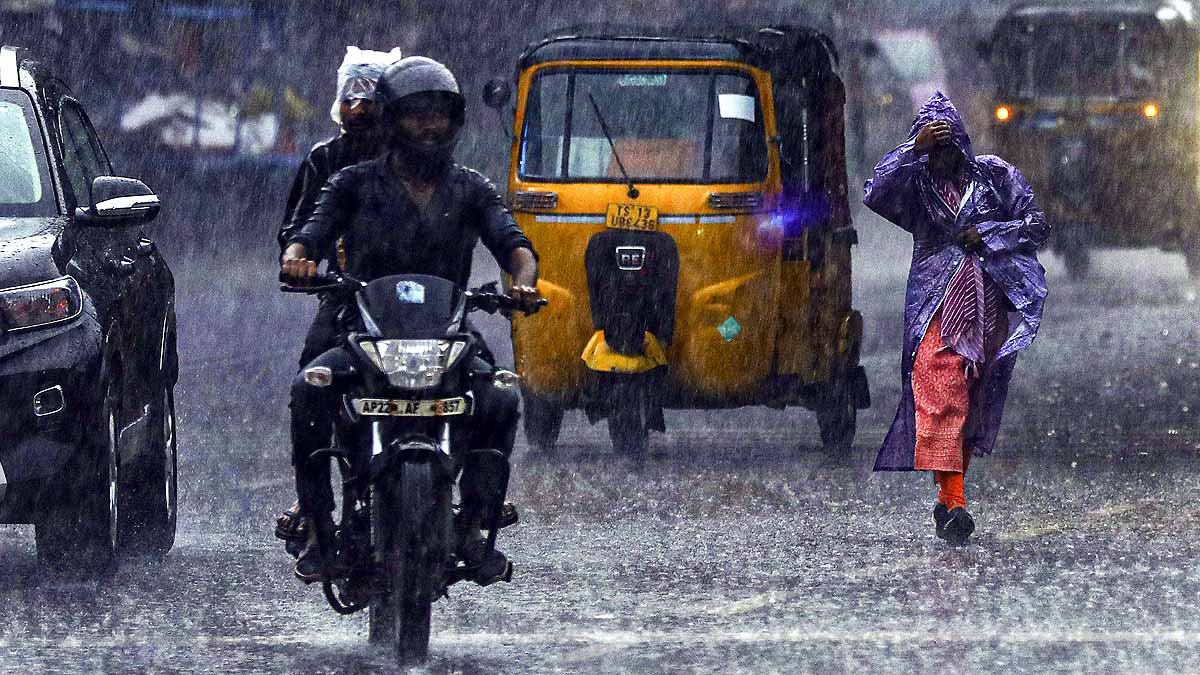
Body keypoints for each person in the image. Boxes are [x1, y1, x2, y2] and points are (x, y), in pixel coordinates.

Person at [279, 56, 541, 583]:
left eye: (439, 115)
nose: (428, 125)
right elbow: (311, 230)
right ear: (392, 120)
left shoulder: (472, 188)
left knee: (502, 395)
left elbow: (514, 244)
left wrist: (523, 279)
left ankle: (476, 522)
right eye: (416, 114)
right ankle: (316, 519)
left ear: (455, 122)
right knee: (310, 387)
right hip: (357, 323)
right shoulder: (352, 182)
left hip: (449, 330)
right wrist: (299, 256)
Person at [864, 92, 1048, 545]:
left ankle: (948, 499)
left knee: (970, 403)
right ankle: (957, 501)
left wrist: (987, 234)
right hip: (935, 308)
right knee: (941, 390)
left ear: (962, 144)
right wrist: (914, 149)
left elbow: (1037, 225)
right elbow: (874, 193)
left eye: (947, 147)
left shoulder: (994, 176)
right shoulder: (915, 185)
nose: (940, 158)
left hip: (987, 308)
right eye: (933, 148)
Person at [273, 46, 401, 553]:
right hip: (351, 299)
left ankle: (473, 494)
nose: (363, 107)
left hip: (425, 303)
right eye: (354, 96)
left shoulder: (423, 163)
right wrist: (300, 257)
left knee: (481, 380)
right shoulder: (327, 162)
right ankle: (314, 502)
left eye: (373, 96)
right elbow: (301, 227)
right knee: (311, 383)